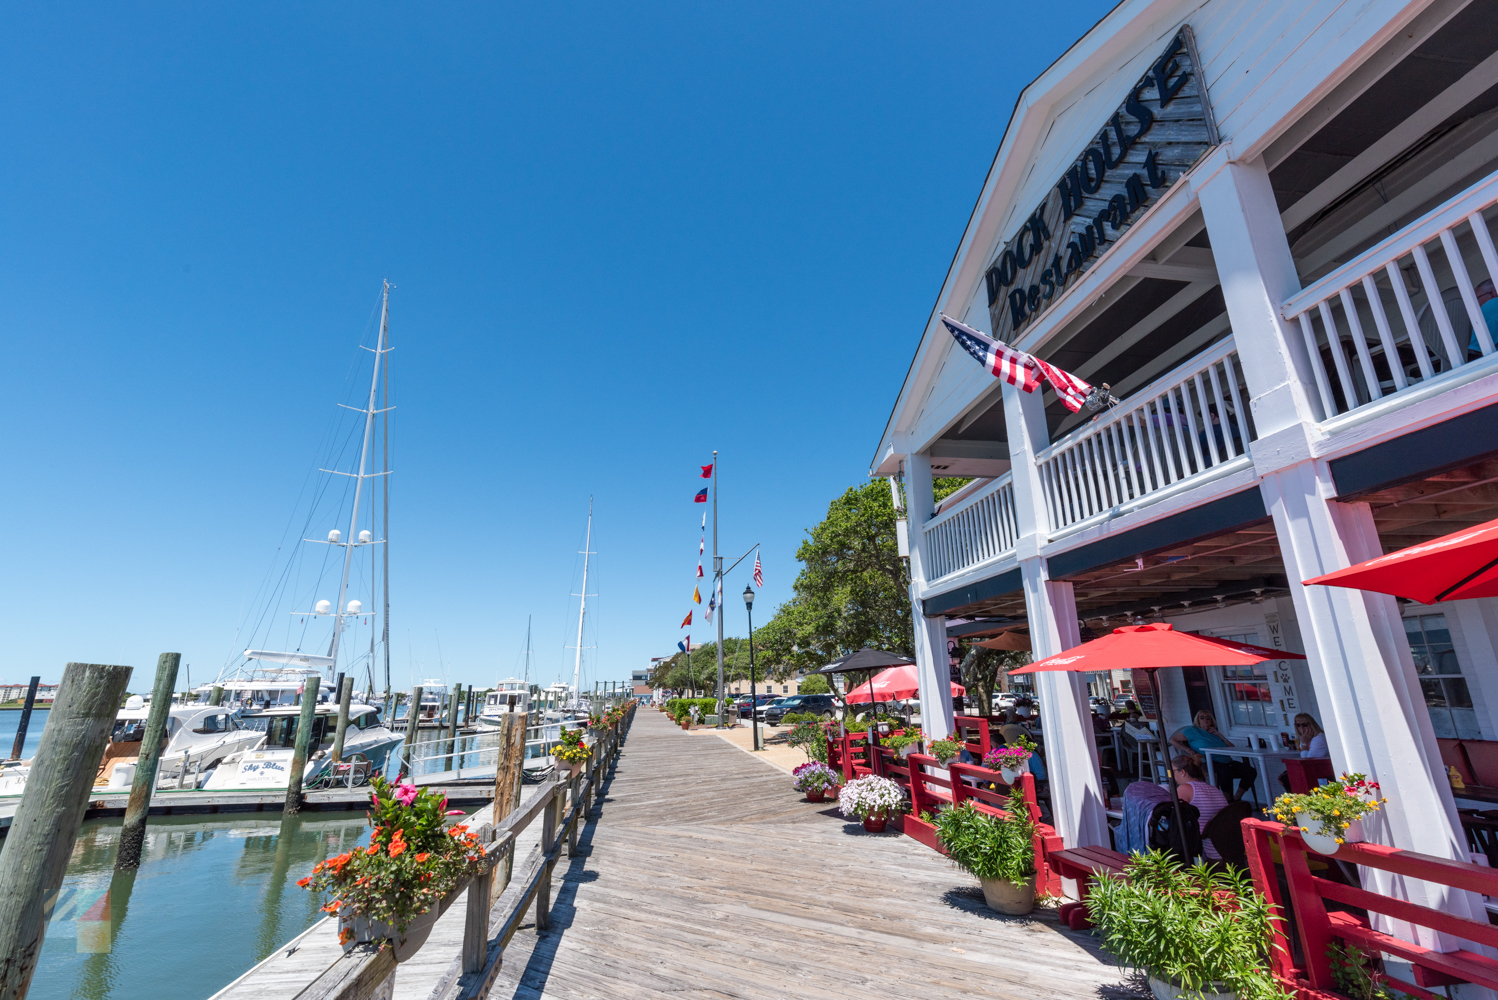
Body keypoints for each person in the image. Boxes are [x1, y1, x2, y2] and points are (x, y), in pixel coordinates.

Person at [1170, 709, 1257, 801]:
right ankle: (1227, 800)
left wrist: (1220, 735)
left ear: (1212, 721)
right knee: (1225, 771)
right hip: (1207, 761)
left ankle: (1236, 798)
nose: (1205, 720)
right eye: (1202, 717)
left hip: (1226, 761)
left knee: (1250, 771)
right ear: (1197, 719)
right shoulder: (1192, 730)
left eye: (1208, 718)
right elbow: (1172, 740)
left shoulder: (1214, 733)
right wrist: (1187, 749)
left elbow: (1232, 748)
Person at [1172, 755, 1229, 860]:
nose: (1172, 777)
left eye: (1173, 772)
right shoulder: (1214, 789)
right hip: (1226, 845)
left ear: (1182, 772)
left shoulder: (1184, 789)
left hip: (1205, 849)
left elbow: (1175, 817)